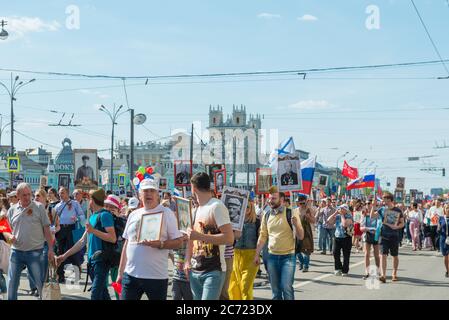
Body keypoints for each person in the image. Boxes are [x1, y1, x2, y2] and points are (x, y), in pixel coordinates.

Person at [115, 178, 183, 300]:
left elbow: (178, 242)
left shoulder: (167, 213)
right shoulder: (133, 214)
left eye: (152, 191)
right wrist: (121, 272)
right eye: (145, 191)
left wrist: (161, 244)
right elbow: (127, 244)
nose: (149, 194)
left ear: (158, 194)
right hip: (130, 275)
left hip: (156, 277)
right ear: (140, 195)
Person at [56, 188, 116, 300]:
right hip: (92, 261)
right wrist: (64, 256)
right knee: (103, 295)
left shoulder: (105, 215)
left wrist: (94, 231)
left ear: (92, 200)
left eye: (88, 199)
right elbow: (82, 241)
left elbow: (112, 238)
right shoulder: (92, 217)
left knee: (95, 295)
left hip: (101, 261)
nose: (87, 202)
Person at [184, 172, 234, 300]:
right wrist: (187, 260)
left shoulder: (216, 206)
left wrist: (200, 236)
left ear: (193, 188)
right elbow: (191, 238)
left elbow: (229, 238)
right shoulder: (196, 210)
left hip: (214, 270)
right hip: (195, 269)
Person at [4, 183, 55, 300]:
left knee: (40, 283)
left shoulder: (39, 207)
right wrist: (9, 235)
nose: (27, 197)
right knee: (12, 283)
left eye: (29, 194)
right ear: (17, 195)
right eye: (24, 195)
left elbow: (46, 229)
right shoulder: (12, 210)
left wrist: (51, 249)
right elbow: (6, 229)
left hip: (35, 252)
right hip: (16, 252)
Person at [254, 186, 304, 300]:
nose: (271, 201)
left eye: (274, 198)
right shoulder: (266, 216)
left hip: (288, 257)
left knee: (286, 287)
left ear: (281, 200)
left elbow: (301, 236)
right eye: (270, 199)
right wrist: (257, 254)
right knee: (275, 291)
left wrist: (296, 224)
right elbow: (262, 236)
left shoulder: (291, 213)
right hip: (271, 257)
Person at [370, 191, 405, 283]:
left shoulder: (397, 210)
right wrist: (373, 207)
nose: (382, 200)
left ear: (389, 200)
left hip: (394, 236)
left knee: (395, 256)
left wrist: (396, 226)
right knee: (383, 255)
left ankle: (394, 273)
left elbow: (402, 223)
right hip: (383, 235)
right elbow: (372, 216)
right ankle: (383, 275)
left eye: (384, 199)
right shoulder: (382, 209)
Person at [228, 200, 260, 300]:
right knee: (234, 287)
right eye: (244, 207)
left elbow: (260, 239)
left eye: (248, 207)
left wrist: (258, 255)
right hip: (236, 255)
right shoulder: (234, 222)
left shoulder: (257, 222)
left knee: (245, 286)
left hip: (251, 256)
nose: (246, 209)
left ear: (252, 209)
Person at [54, 187, 85, 283]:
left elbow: (82, 215)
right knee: (60, 251)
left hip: (71, 228)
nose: (60, 195)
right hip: (61, 229)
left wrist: (77, 218)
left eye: (62, 193)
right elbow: (54, 218)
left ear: (67, 193)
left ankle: (76, 272)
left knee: (72, 251)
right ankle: (60, 275)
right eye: (59, 193)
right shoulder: (58, 205)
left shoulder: (75, 204)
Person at [327, 204, 353, 276]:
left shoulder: (349, 216)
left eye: (342, 209)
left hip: (346, 237)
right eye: (340, 208)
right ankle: (338, 268)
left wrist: (342, 215)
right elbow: (329, 221)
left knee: (346, 255)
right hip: (337, 237)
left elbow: (345, 224)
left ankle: (345, 270)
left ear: (346, 210)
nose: (340, 210)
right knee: (335, 253)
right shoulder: (337, 216)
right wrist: (335, 213)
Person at [360, 199, 381, 280]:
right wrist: (365, 228)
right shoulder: (363, 214)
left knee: (376, 255)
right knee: (366, 254)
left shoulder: (377, 213)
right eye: (366, 203)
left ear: (373, 204)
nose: (367, 205)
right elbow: (361, 228)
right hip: (367, 235)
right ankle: (367, 272)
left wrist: (378, 229)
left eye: (369, 203)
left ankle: (378, 271)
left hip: (375, 235)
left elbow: (380, 224)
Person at [295, 195, 316, 272]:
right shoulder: (295, 210)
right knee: (297, 251)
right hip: (297, 232)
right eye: (300, 203)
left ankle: (306, 266)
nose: (301, 205)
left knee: (306, 250)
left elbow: (314, 221)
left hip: (306, 232)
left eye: (303, 203)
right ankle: (301, 262)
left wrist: (308, 217)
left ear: (305, 202)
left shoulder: (309, 210)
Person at [437, 204, 449, 277]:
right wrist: (439, 228)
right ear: (444, 209)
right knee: (445, 256)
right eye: (447, 208)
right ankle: (447, 270)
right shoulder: (441, 218)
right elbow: (438, 230)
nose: (448, 209)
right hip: (443, 239)